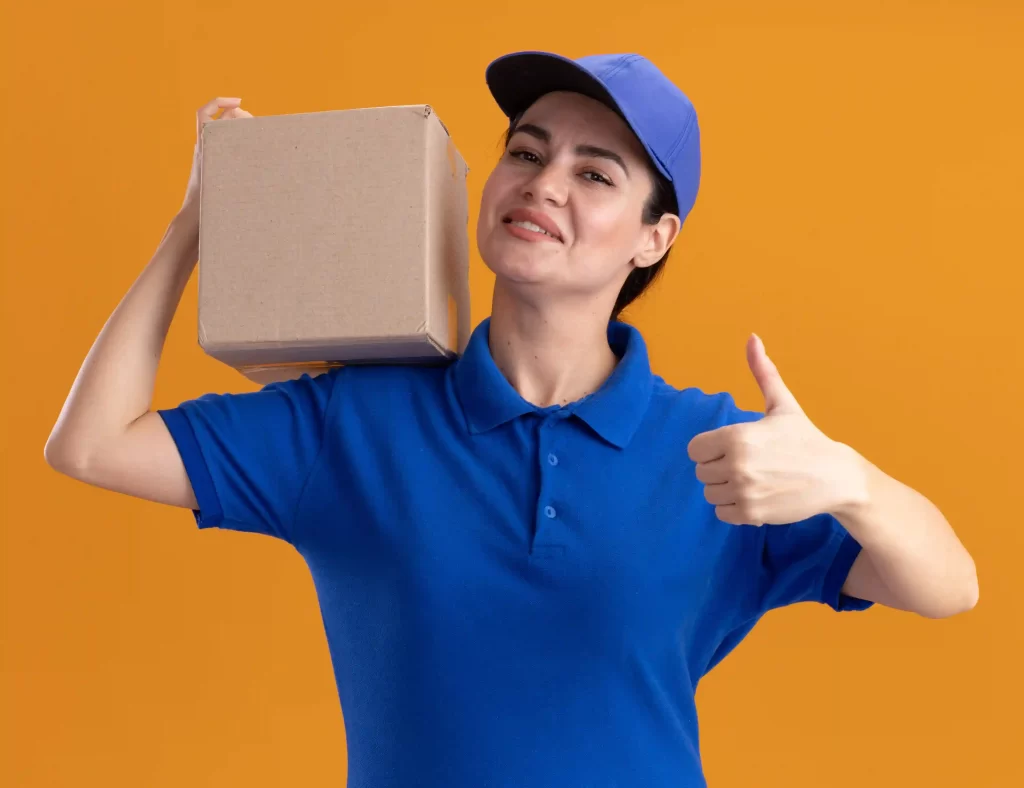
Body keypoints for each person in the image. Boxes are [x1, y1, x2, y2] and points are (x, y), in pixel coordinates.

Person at [45, 51, 978, 787]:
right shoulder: (357, 421)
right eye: (525, 152)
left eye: (595, 172)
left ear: (657, 237)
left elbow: (949, 586)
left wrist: (850, 482)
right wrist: (198, 222)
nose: (543, 182)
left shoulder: (725, 457)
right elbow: (92, 445)